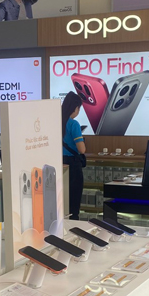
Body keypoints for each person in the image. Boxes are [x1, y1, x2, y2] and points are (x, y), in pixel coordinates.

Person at [61, 92, 86, 220]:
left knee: (62, 201)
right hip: (73, 165)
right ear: (75, 108)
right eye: (79, 108)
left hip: (60, 164)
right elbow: (82, 149)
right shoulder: (73, 124)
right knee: (74, 202)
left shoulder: (56, 122)